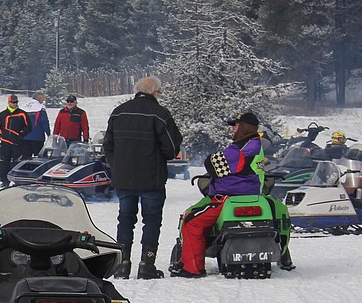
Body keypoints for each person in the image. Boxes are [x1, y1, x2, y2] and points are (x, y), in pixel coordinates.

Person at [102, 76, 183, 279]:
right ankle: (147, 265)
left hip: (124, 178)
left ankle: (123, 264)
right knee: (152, 220)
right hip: (151, 179)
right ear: (154, 92)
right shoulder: (160, 114)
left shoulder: (119, 112)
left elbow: (107, 146)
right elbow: (172, 148)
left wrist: (118, 165)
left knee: (125, 219)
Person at [172, 111, 264, 278]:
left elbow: (212, 165)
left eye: (236, 125)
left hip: (228, 198)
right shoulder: (254, 145)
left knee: (192, 221)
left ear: (244, 127)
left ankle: (192, 268)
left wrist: (212, 160)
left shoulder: (242, 148)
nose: (233, 128)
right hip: (249, 195)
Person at [0, 93, 32, 186]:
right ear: (9, 102)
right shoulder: (3, 114)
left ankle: (16, 181)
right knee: (4, 163)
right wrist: (1, 137)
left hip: (17, 143)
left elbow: (28, 127)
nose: (15, 104)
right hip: (5, 143)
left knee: (16, 163)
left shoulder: (22, 113)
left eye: (16, 102)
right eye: (13, 102)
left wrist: (21, 135)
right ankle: (4, 181)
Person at [21, 91, 51, 157]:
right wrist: (49, 134)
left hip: (24, 137)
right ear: (39, 98)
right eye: (43, 99)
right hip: (37, 137)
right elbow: (44, 122)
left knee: (25, 157)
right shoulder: (40, 108)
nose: (43, 101)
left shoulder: (23, 106)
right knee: (38, 157)